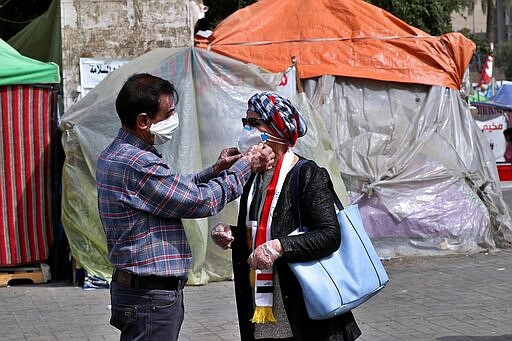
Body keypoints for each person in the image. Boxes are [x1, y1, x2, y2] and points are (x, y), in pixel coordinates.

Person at [95, 73, 275, 341]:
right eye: (168, 114)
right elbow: (200, 201)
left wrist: (216, 170)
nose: (174, 120)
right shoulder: (137, 162)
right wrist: (246, 165)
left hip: (141, 293)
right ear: (143, 121)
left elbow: (171, 191)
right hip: (150, 299)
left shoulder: (118, 153)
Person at [211, 92, 361, 341]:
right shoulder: (255, 176)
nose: (246, 130)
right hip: (262, 305)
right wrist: (235, 234)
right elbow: (263, 228)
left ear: (278, 129)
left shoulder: (307, 174)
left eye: (254, 123)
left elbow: (329, 235)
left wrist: (280, 247)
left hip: (300, 309)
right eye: (245, 122)